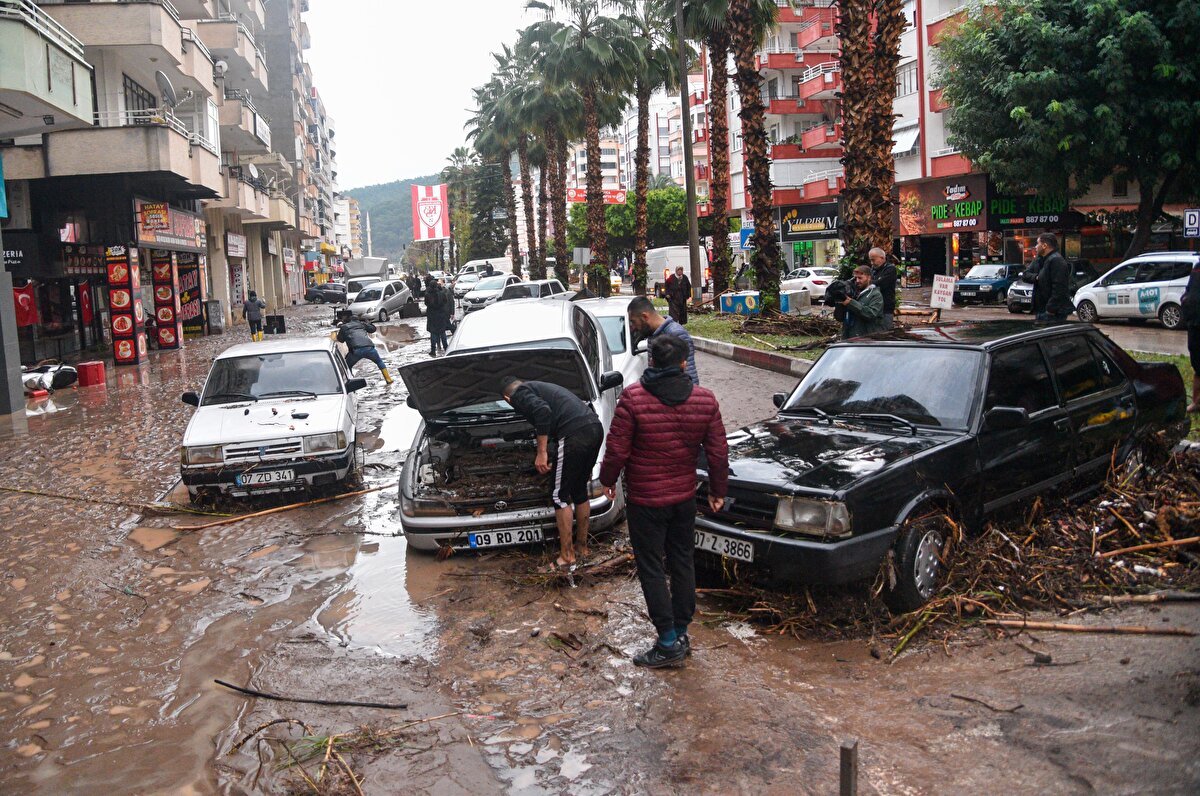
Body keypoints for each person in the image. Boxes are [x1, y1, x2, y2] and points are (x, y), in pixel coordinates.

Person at [599, 334, 728, 669]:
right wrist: (717, 491)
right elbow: (717, 453)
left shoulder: (634, 399)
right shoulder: (705, 400)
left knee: (653, 568)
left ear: (651, 362)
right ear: (684, 363)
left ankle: (668, 642)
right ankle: (681, 633)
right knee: (683, 562)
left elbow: (616, 448)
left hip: (646, 501)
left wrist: (607, 481)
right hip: (684, 499)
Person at [500, 376, 604, 570]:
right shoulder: (540, 387)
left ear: (507, 399)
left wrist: (541, 453)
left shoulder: (519, 394)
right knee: (579, 489)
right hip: (594, 428)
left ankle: (567, 556)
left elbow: (542, 411)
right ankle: (582, 548)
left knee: (559, 495)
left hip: (573, 433)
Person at [627, 295, 699, 384]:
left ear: (645, 317)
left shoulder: (676, 334)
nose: (633, 327)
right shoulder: (652, 334)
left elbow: (690, 377)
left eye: (633, 321)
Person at [335, 317, 393, 385]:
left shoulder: (344, 327)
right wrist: (369, 323)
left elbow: (340, 340)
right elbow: (373, 329)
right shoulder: (361, 324)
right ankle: (388, 379)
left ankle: (351, 384)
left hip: (356, 351)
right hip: (369, 348)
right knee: (379, 361)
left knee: (347, 366)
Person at [1034, 233, 1072, 323]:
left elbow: (1059, 287)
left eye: (1037, 243)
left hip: (1053, 314)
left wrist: (1050, 309)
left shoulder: (1056, 260)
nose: (1035, 246)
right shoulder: (1046, 259)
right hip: (1045, 309)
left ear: (1044, 245)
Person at [840, 266, 886, 337]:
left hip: (866, 338)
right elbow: (839, 317)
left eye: (860, 278)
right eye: (855, 278)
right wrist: (839, 303)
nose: (857, 281)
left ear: (869, 278)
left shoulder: (875, 295)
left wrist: (851, 303)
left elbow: (870, 314)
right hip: (848, 337)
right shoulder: (852, 293)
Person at [1182, 257, 1200, 412]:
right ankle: (1196, 402)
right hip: (1194, 323)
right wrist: (1185, 298)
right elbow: (1189, 289)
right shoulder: (1197, 268)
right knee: (1198, 365)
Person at [868, 247, 897, 329]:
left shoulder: (890, 269)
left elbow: (880, 283)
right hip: (873, 307)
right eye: (870, 260)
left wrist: (869, 282)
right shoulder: (873, 270)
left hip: (885, 307)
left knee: (885, 333)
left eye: (873, 260)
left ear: (882, 258)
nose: (872, 263)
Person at [424, 276, 450, 356]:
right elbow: (445, 301)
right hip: (441, 315)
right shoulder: (441, 293)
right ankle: (446, 348)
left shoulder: (427, 294)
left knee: (433, 333)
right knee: (442, 332)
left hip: (432, 316)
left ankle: (433, 350)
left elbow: (426, 303)